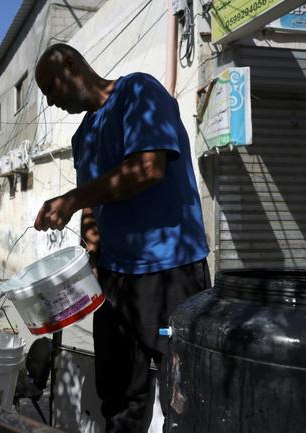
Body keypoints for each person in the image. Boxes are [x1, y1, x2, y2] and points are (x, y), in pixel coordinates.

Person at [34, 43, 210, 433]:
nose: (50, 101)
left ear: (71, 64)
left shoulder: (139, 93)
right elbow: (94, 208)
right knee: (118, 395)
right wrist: (88, 254)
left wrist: (73, 198)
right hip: (114, 281)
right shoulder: (83, 137)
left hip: (169, 271)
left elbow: (148, 169)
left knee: (185, 393)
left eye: (50, 87)